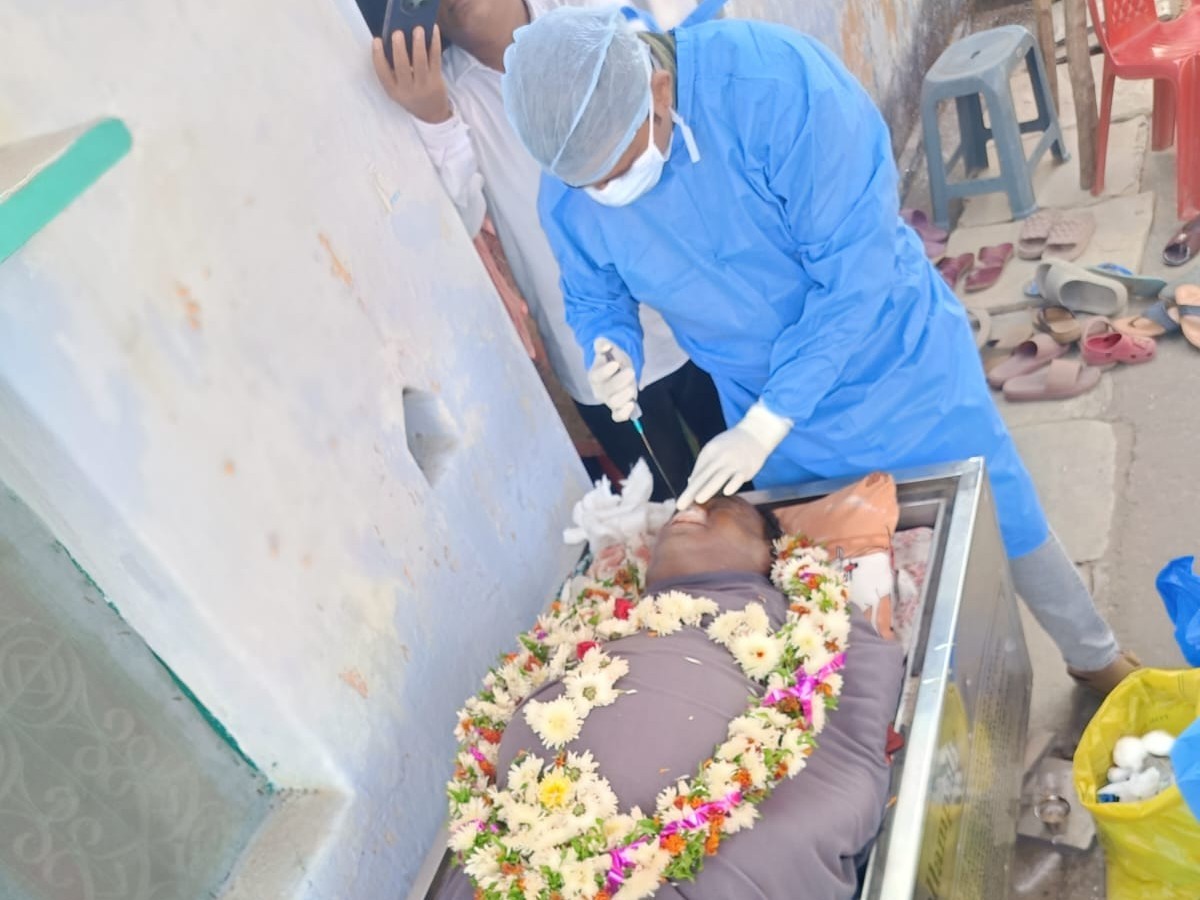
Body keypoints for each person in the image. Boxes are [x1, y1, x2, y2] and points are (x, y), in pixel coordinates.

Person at [498, 6, 1137, 693]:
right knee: (850, 560)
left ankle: (1093, 655)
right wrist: (610, 346)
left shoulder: (776, 86)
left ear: (658, 91)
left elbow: (855, 270)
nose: (607, 195)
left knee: (1001, 510)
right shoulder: (571, 180)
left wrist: (771, 419)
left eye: (619, 170)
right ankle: (936, 696)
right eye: (590, 186)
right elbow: (594, 291)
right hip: (756, 395)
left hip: (890, 358)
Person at [433, 495, 905, 899]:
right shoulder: (594, 619)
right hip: (519, 861)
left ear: (768, 552)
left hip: (695, 855)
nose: (688, 509)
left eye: (719, 508)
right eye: (682, 506)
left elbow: (852, 703)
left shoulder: (800, 613)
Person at [370, 1, 727, 501]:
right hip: (594, 357)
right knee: (675, 512)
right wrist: (434, 119)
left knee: (766, 492)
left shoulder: (588, 17)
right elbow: (463, 220)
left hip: (690, 318)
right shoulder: (442, 95)